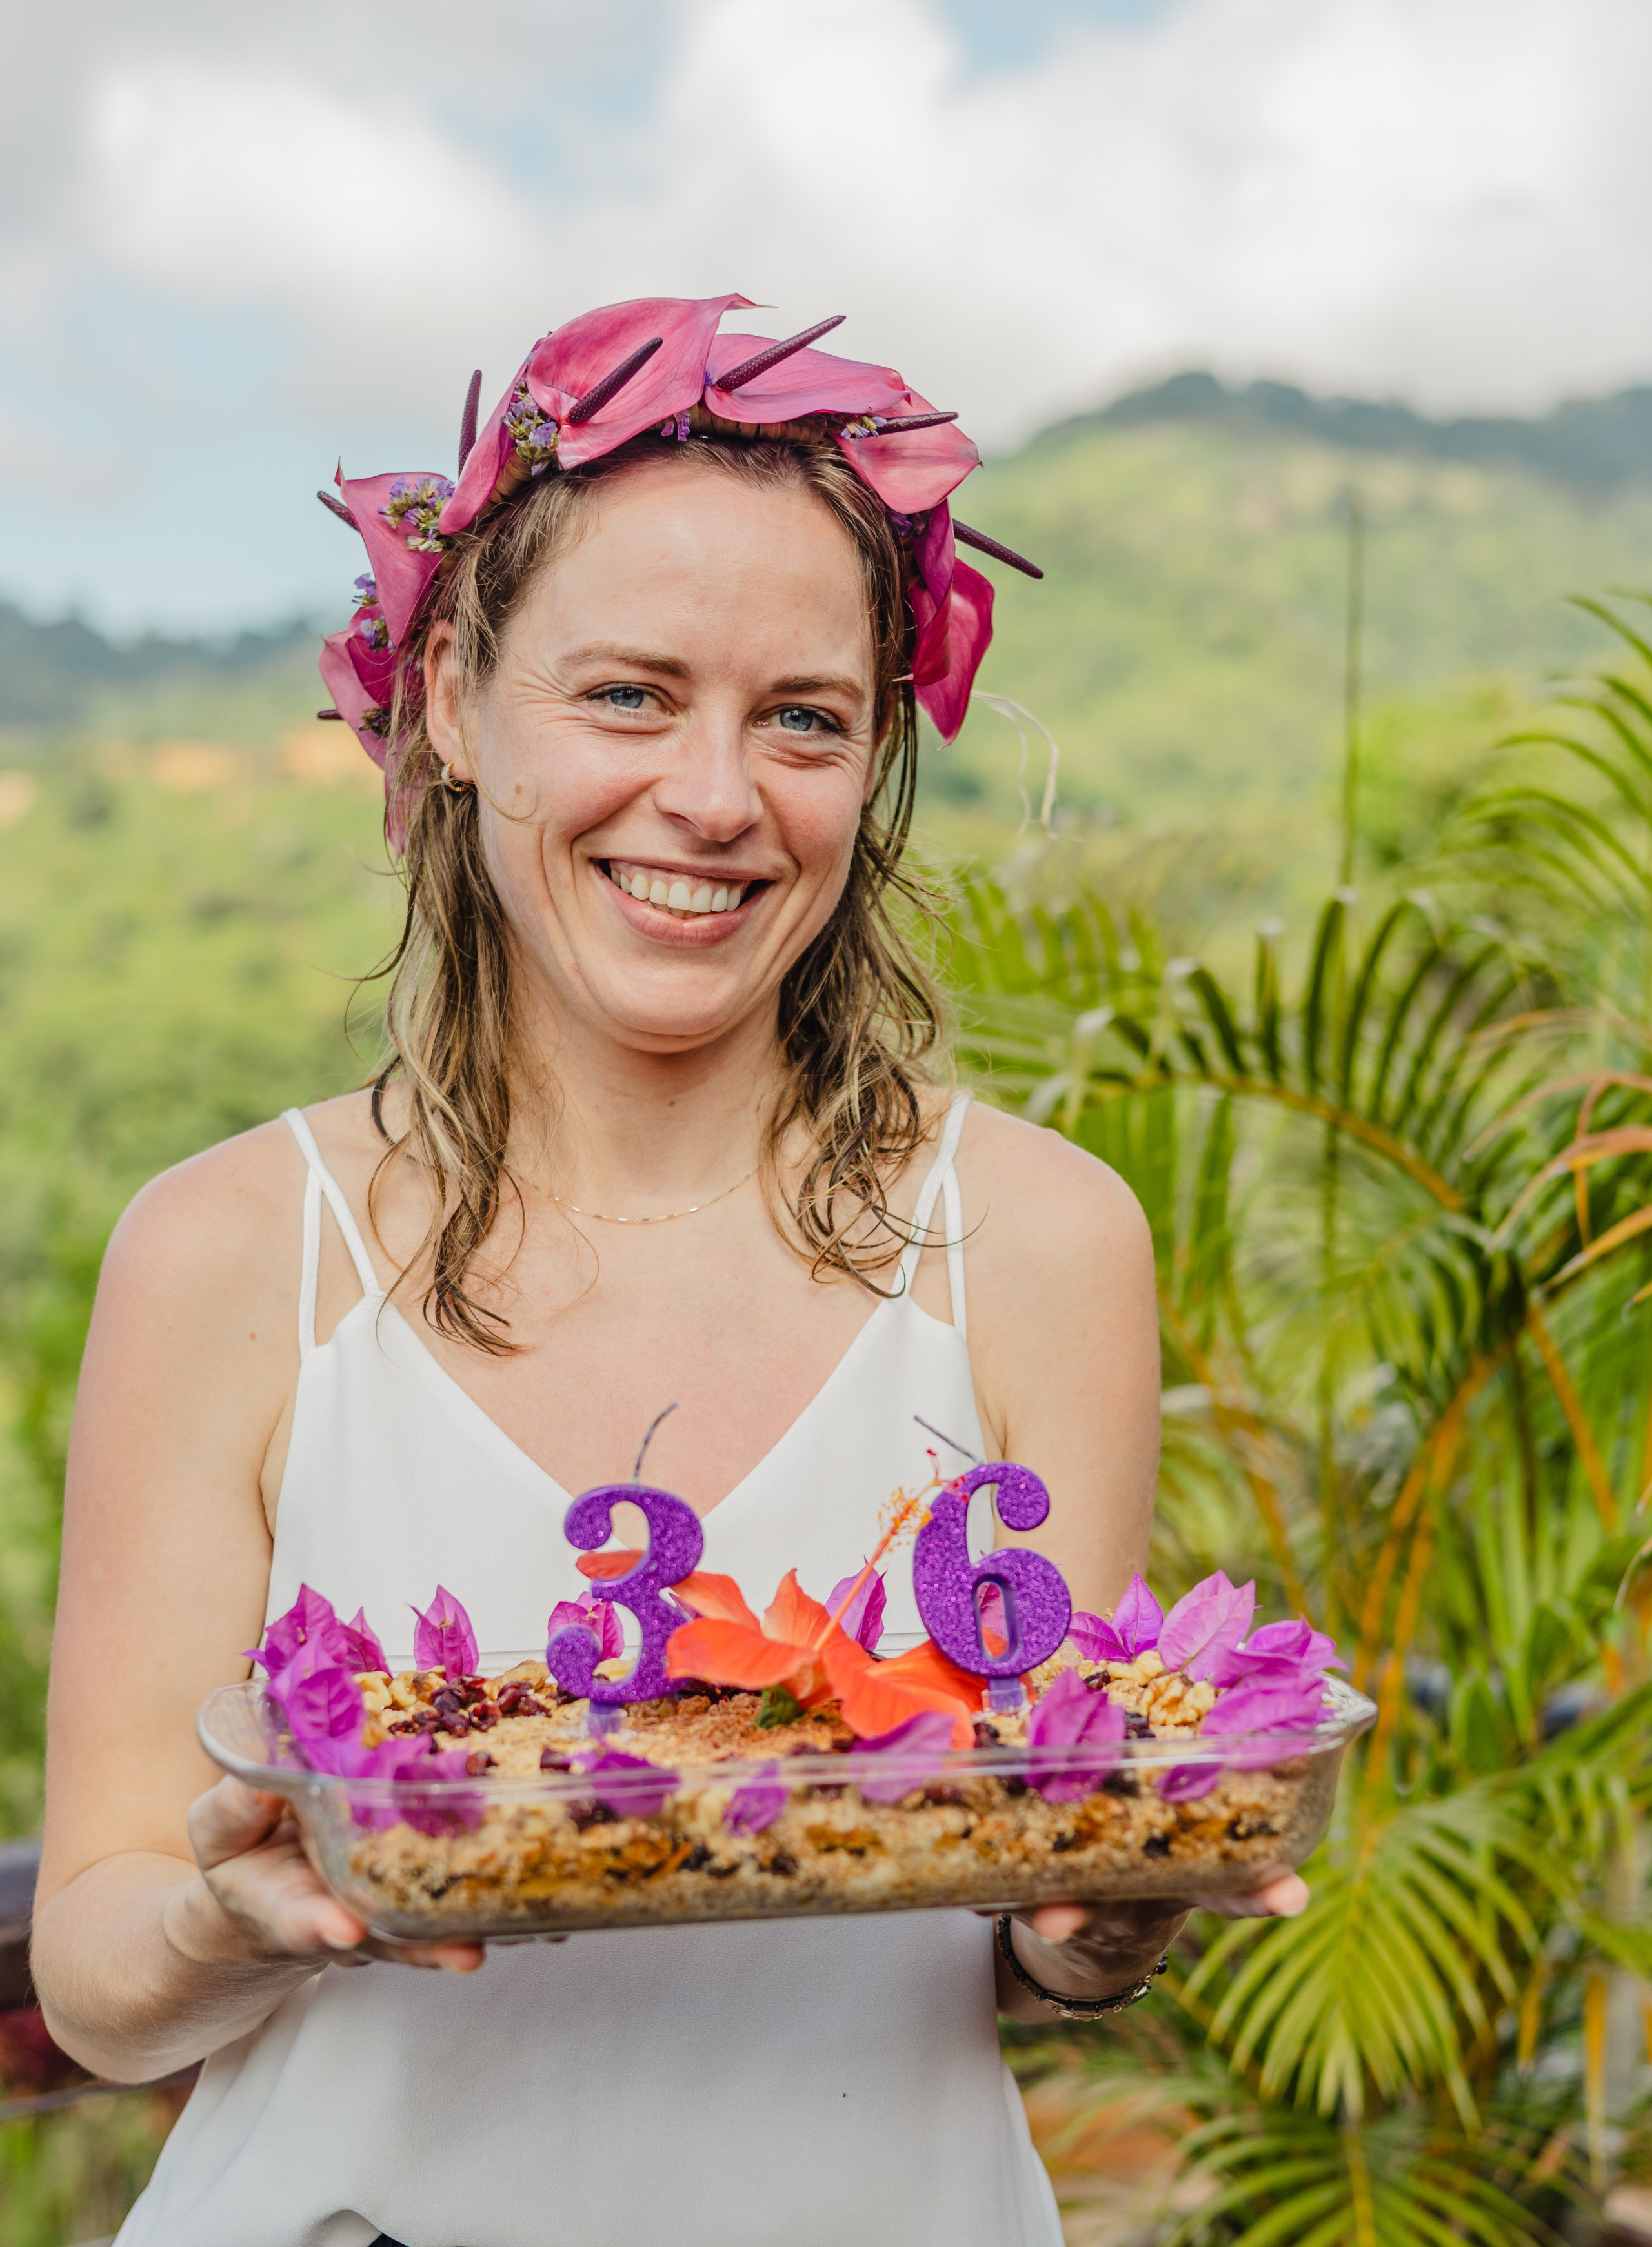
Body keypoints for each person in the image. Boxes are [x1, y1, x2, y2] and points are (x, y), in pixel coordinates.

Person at [32, 295, 1304, 2247]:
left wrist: (1101, 1924)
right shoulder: (228, 1255)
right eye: (628, 694)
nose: (717, 798)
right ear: (453, 700)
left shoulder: (1044, 1246)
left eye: (803, 718)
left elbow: (1024, 1909)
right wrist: (222, 1911)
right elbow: (103, 1975)